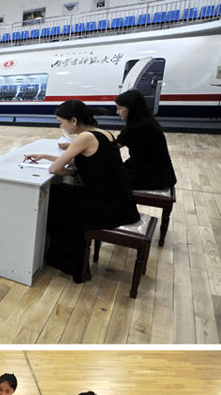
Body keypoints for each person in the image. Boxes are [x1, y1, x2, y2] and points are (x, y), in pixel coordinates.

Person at [26, 99, 139, 282]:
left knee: (55, 198)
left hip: (107, 206)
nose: (61, 126)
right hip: (122, 200)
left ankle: (65, 259)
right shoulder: (104, 134)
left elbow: (55, 169)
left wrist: (67, 169)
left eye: (61, 122)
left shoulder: (85, 137)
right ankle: (59, 255)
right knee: (63, 193)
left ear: (74, 121)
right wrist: (44, 156)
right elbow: (81, 162)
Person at [114, 88, 177, 190]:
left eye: (120, 108)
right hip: (163, 173)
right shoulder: (148, 122)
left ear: (131, 108)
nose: (117, 112)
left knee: (105, 178)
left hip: (151, 176)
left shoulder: (135, 128)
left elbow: (112, 148)